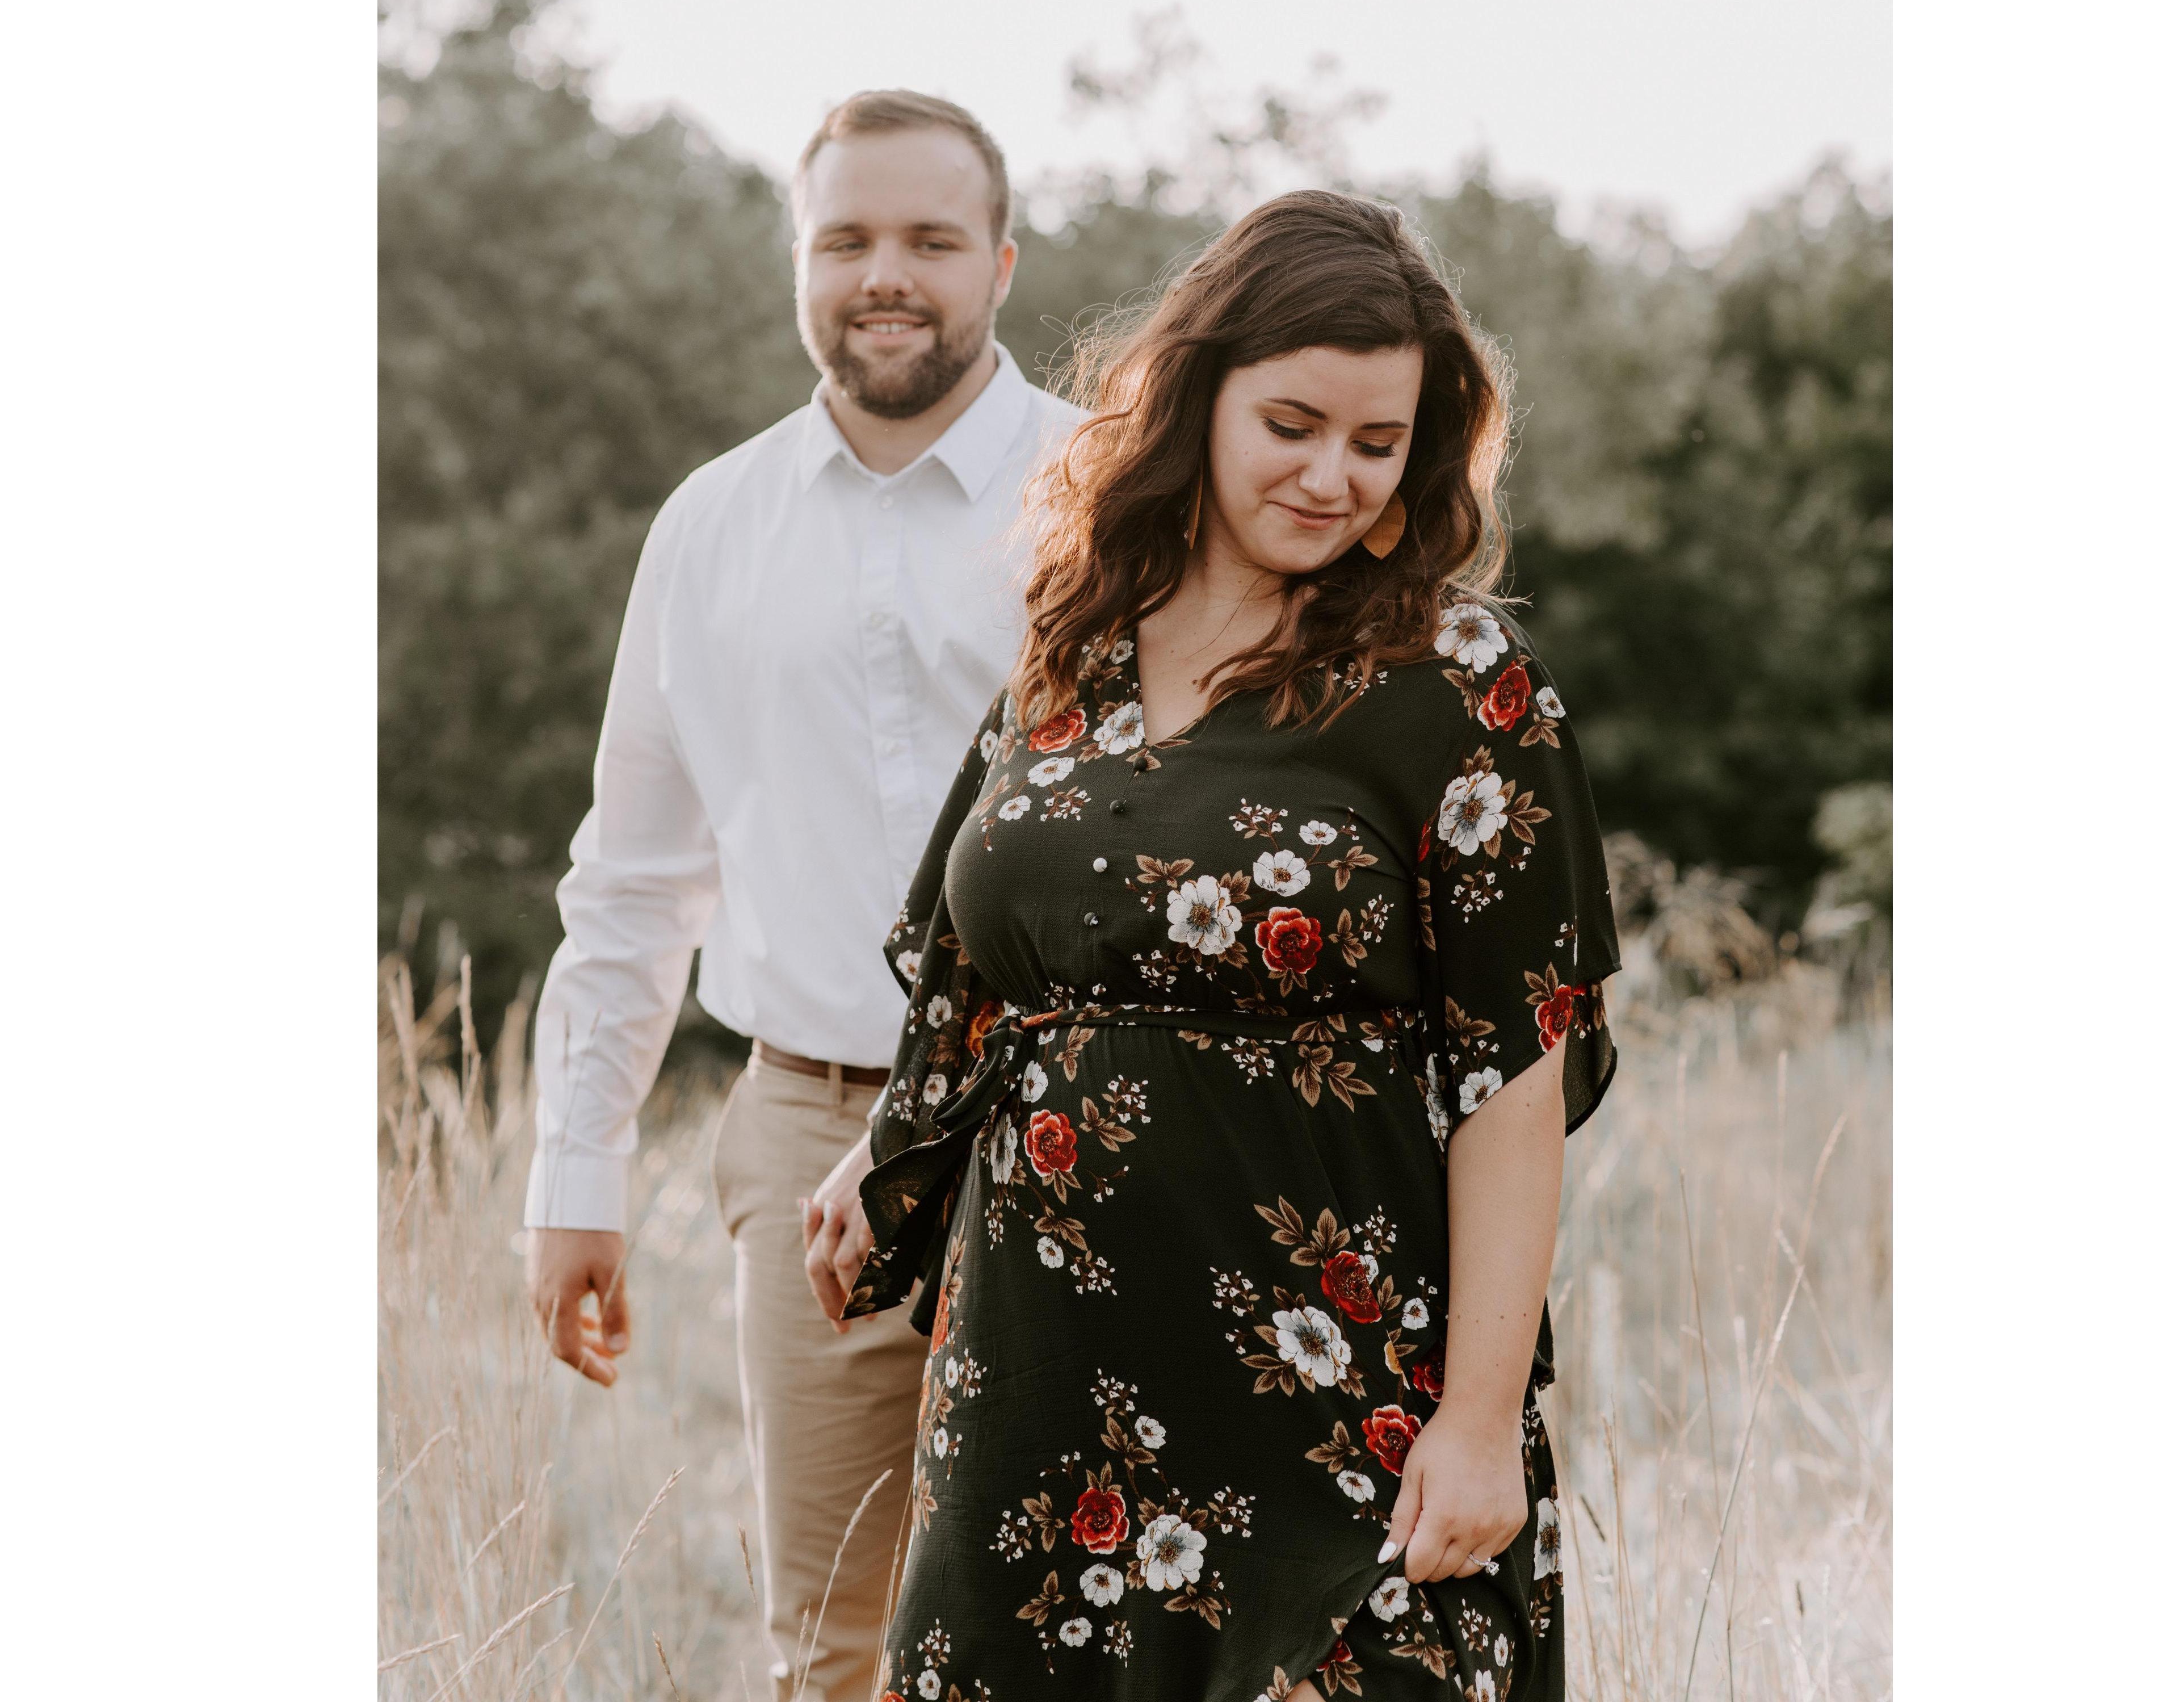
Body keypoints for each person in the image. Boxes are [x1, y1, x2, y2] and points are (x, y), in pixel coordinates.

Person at [800, 188, 1621, 1700]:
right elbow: (993, 953)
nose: (1332, 478)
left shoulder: (1458, 680)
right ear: (1195, 400)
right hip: (1044, 1371)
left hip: (1336, 1384)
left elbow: (1513, 1080)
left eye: (1377, 445)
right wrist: (894, 1140)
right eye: (1291, 426)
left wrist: (1478, 1419)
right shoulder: (1074, 645)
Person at [520, 90, 1080, 1702]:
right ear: (799, 260)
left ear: (1000, 262)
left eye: (929, 239)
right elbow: (636, 876)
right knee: (836, 1647)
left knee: (1086, 1622)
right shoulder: (711, 526)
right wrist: (576, 1171)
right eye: (846, 240)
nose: (883, 274)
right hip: (806, 1119)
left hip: (1084, 1118)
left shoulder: (1111, 495)